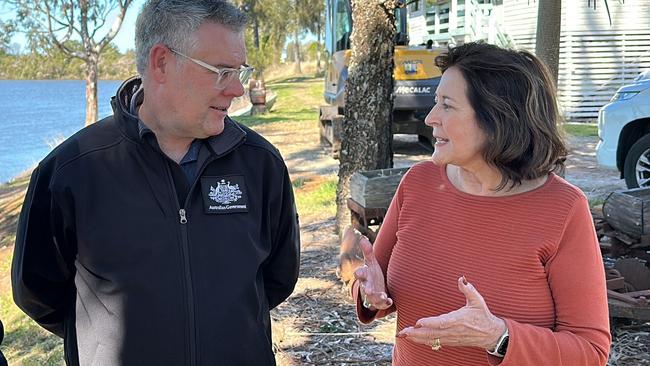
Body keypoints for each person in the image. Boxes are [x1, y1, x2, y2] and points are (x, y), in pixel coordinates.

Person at [11, 1, 300, 365]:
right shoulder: (71, 171)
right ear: (161, 62)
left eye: (240, 71)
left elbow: (277, 278)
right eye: (222, 71)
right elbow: (38, 292)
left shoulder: (261, 164)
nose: (238, 89)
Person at [352, 42, 611, 365]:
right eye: (435, 103)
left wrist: (499, 337)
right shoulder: (417, 184)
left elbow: (590, 351)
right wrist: (368, 294)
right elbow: (377, 286)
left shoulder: (564, 208)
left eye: (447, 105)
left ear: (497, 119)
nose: (431, 118)